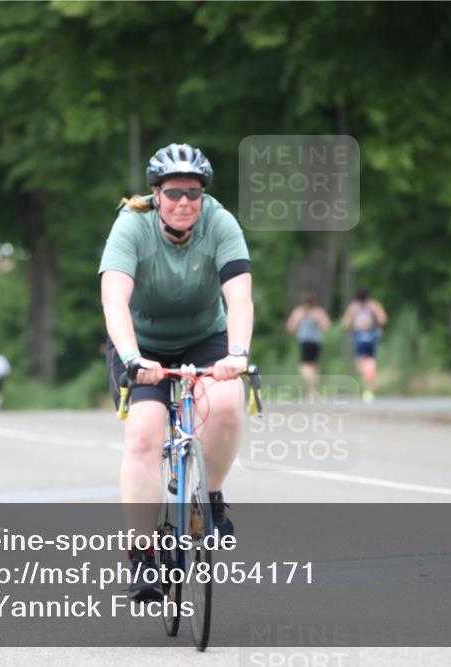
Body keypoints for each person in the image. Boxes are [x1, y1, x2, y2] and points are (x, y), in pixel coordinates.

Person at [99, 143, 253, 601]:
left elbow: (240, 298)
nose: (184, 202)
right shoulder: (131, 224)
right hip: (141, 344)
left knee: (226, 405)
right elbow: (114, 300)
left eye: (193, 192)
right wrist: (131, 357)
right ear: (155, 194)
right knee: (145, 434)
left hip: (205, 337)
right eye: (173, 193)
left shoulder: (220, 222)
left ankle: (212, 497)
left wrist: (238, 353)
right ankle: (144, 555)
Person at [340, 288, 387, 402]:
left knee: (361, 362)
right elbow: (383, 320)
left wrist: (353, 326)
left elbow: (344, 324)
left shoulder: (354, 307)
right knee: (371, 361)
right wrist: (375, 324)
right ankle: (369, 388)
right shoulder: (374, 305)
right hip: (371, 335)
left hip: (360, 336)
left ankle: (367, 386)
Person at [286, 291, 331, 393]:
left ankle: (312, 383)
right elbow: (326, 326)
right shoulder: (318, 312)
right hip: (316, 342)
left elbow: (290, 328)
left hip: (306, 342)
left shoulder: (299, 312)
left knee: (304, 367)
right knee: (314, 366)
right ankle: (312, 391)